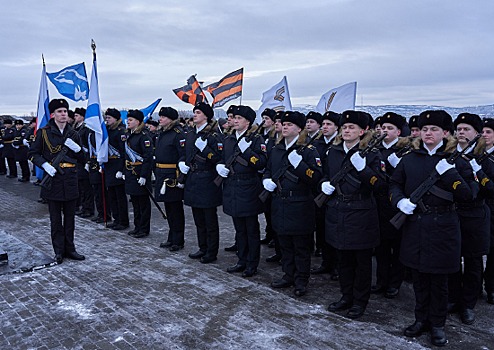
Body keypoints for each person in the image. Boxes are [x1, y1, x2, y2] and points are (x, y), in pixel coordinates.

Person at [389, 110, 475, 347]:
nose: (428, 133)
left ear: (445, 133)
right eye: (425, 129)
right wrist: (399, 201)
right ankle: (420, 319)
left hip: (443, 227)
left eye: (434, 129)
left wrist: (451, 175)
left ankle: (437, 324)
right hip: (415, 225)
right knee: (418, 279)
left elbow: (468, 194)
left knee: (439, 282)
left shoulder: (457, 161)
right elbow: (395, 184)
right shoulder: (410, 158)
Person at [323, 111, 382, 319]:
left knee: (362, 263)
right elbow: (326, 173)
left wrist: (364, 169)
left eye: (352, 128)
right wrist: (324, 183)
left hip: (361, 213)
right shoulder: (334, 151)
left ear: (363, 131)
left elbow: (380, 184)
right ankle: (346, 296)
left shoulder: (372, 153)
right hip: (338, 210)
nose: (347, 131)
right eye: (344, 127)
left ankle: (360, 301)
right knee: (343, 260)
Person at [263, 111, 323, 296]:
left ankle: (301, 280)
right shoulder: (277, 148)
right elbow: (268, 169)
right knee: (285, 244)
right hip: (280, 201)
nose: (285, 127)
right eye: (283, 123)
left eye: (289, 124)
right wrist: (266, 180)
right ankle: (288, 275)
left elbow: (316, 177)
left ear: (299, 128)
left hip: (300, 204)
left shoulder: (308, 150)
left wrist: (300, 165)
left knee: (301, 247)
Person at [28, 98, 86, 264]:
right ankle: (59, 251)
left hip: (70, 180)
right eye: (60, 111)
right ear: (53, 114)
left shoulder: (74, 133)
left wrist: (78, 149)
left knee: (70, 219)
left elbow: (82, 158)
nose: (63, 114)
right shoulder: (44, 132)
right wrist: (45, 165)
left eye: (65, 111)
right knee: (55, 220)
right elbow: (32, 154)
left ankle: (71, 249)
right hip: (52, 180)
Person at [448, 113, 490, 325]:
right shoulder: (448, 154)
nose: (461, 133)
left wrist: (478, 171)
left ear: (477, 133)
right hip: (453, 212)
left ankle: (468, 304)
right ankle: (453, 298)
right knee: (453, 259)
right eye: (459, 129)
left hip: (475, 214)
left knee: (473, 262)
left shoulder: (484, 157)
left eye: (466, 129)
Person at [217, 105, 267, 277]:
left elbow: (261, 163)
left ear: (248, 122)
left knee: (251, 228)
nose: (235, 121)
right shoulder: (229, 139)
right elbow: (222, 158)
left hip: (248, 187)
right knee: (239, 228)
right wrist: (220, 167)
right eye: (234, 117)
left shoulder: (256, 139)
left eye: (239, 118)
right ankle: (241, 260)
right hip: (232, 186)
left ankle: (252, 263)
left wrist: (248, 152)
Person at [179, 102, 223, 264]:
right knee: (198, 218)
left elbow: (219, 159)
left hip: (207, 179)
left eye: (198, 112)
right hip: (193, 179)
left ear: (206, 116)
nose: (195, 114)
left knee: (209, 219)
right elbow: (184, 153)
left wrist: (205, 150)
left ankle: (211, 251)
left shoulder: (214, 135)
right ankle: (202, 247)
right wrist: (181, 163)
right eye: (194, 112)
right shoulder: (190, 134)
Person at [373, 112, 408, 299]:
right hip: (378, 204)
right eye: (383, 128)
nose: (385, 131)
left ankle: (394, 283)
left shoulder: (405, 151)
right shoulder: (374, 149)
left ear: (399, 132)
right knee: (381, 247)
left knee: (397, 247)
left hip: (395, 205)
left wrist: (399, 164)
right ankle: (381, 281)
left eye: (390, 128)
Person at [311, 111, 340, 280]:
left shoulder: (339, 145)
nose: (325, 127)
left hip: (336, 194)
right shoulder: (318, 143)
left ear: (337, 127)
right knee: (322, 228)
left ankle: (336, 265)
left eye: (329, 124)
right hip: (319, 190)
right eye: (323, 124)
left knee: (335, 230)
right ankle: (326, 261)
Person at [155, 106, 186, 251]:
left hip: (173, 175)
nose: (160, 119)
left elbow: (182, 155)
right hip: (162, 174)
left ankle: (178, 240)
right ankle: (171, 236)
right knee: (168, 207)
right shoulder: (163, 133)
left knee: (175, 209)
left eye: (164, 117)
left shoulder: (177, 133)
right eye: (160, 116)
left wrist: (181, 178)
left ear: (171, 119)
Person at [124, 109, 154, 238]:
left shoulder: (143, 136)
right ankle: (137, 226)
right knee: (135, 202)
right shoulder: (129, 135)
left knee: (143, 203)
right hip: (131, 173)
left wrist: (144, 176)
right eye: (128, 120)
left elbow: (148, 158)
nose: (128, 122)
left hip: (140, 173)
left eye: (130, 120)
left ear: (138, 122)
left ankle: (144, 228)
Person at [104, 108, 129, 231]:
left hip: (118, 165)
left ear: (116, 119)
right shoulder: (107, 130)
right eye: (106, 117)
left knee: (120, 196)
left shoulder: (121, 132)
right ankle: (116, 219)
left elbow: (124, 152)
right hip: (109, 166)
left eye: (109, 118)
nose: (107, 120)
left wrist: (121, 169)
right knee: (111, 195)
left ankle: (123, 221)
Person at [481, 117, 494, 305]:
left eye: (488, 132)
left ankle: (491, 287)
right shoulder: (473, 155)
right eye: (481, 132)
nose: (484, 135)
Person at [73, 108, 94, 218]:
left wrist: (88, 161)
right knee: (80, 185)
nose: (75, 118)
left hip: (84, 159)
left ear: (82, 116)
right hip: (78, 160)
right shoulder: (75, 128)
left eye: (77, 115)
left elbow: (89, 146)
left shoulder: (86, 129)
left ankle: (88, 208)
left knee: (87, 187)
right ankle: (83, 206)